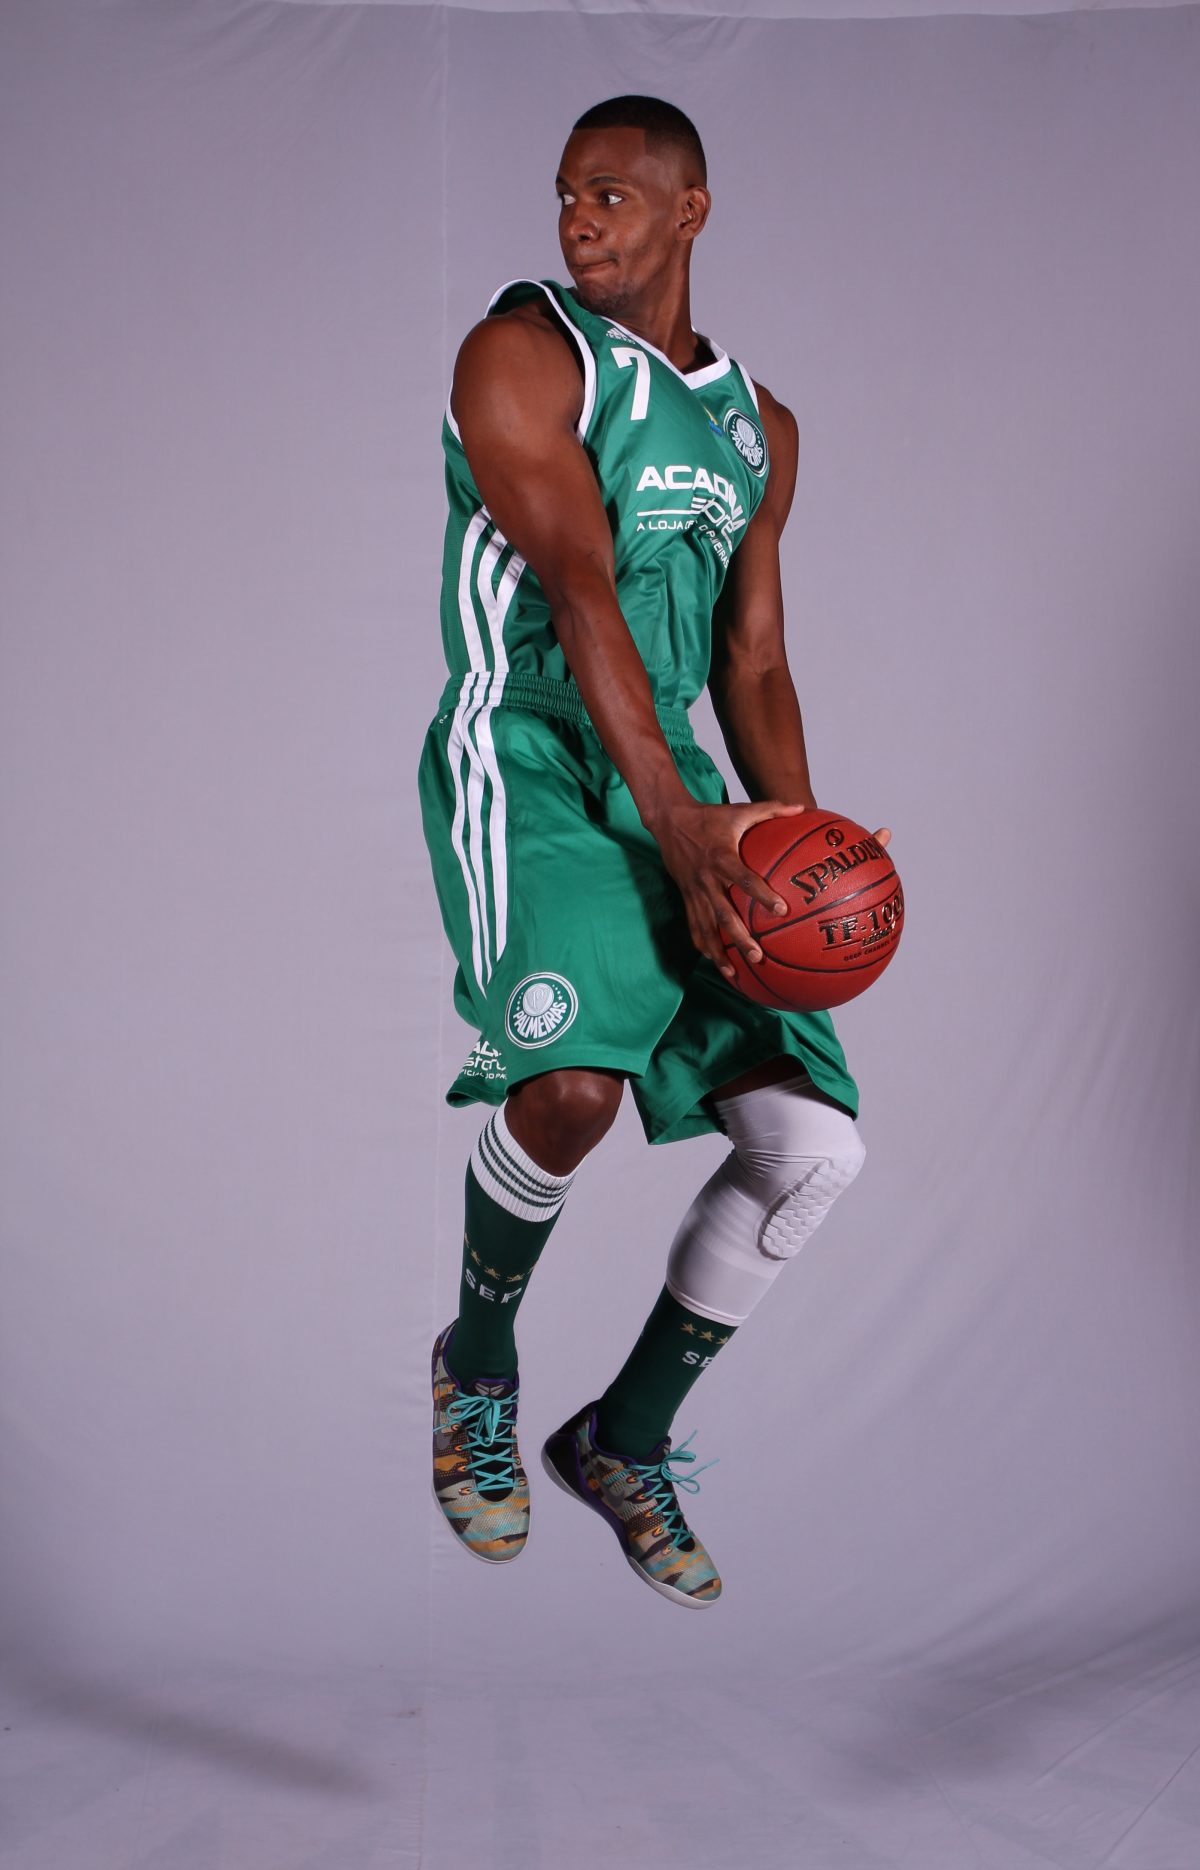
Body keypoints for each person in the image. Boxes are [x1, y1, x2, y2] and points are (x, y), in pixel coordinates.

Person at [418, 94, 891, 1608]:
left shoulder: (763, 426)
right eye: (567, 192)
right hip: (531, 746)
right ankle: (478, 1364)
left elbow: (753, 660)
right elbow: (578, 589)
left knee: (815, 1151)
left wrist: (799, 853)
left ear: (691, 208)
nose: (578, 218)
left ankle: (623, 1439)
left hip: (674, 765)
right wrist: (678, 830)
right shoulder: (520, 353)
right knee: (572, 1086)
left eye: (611, 194)